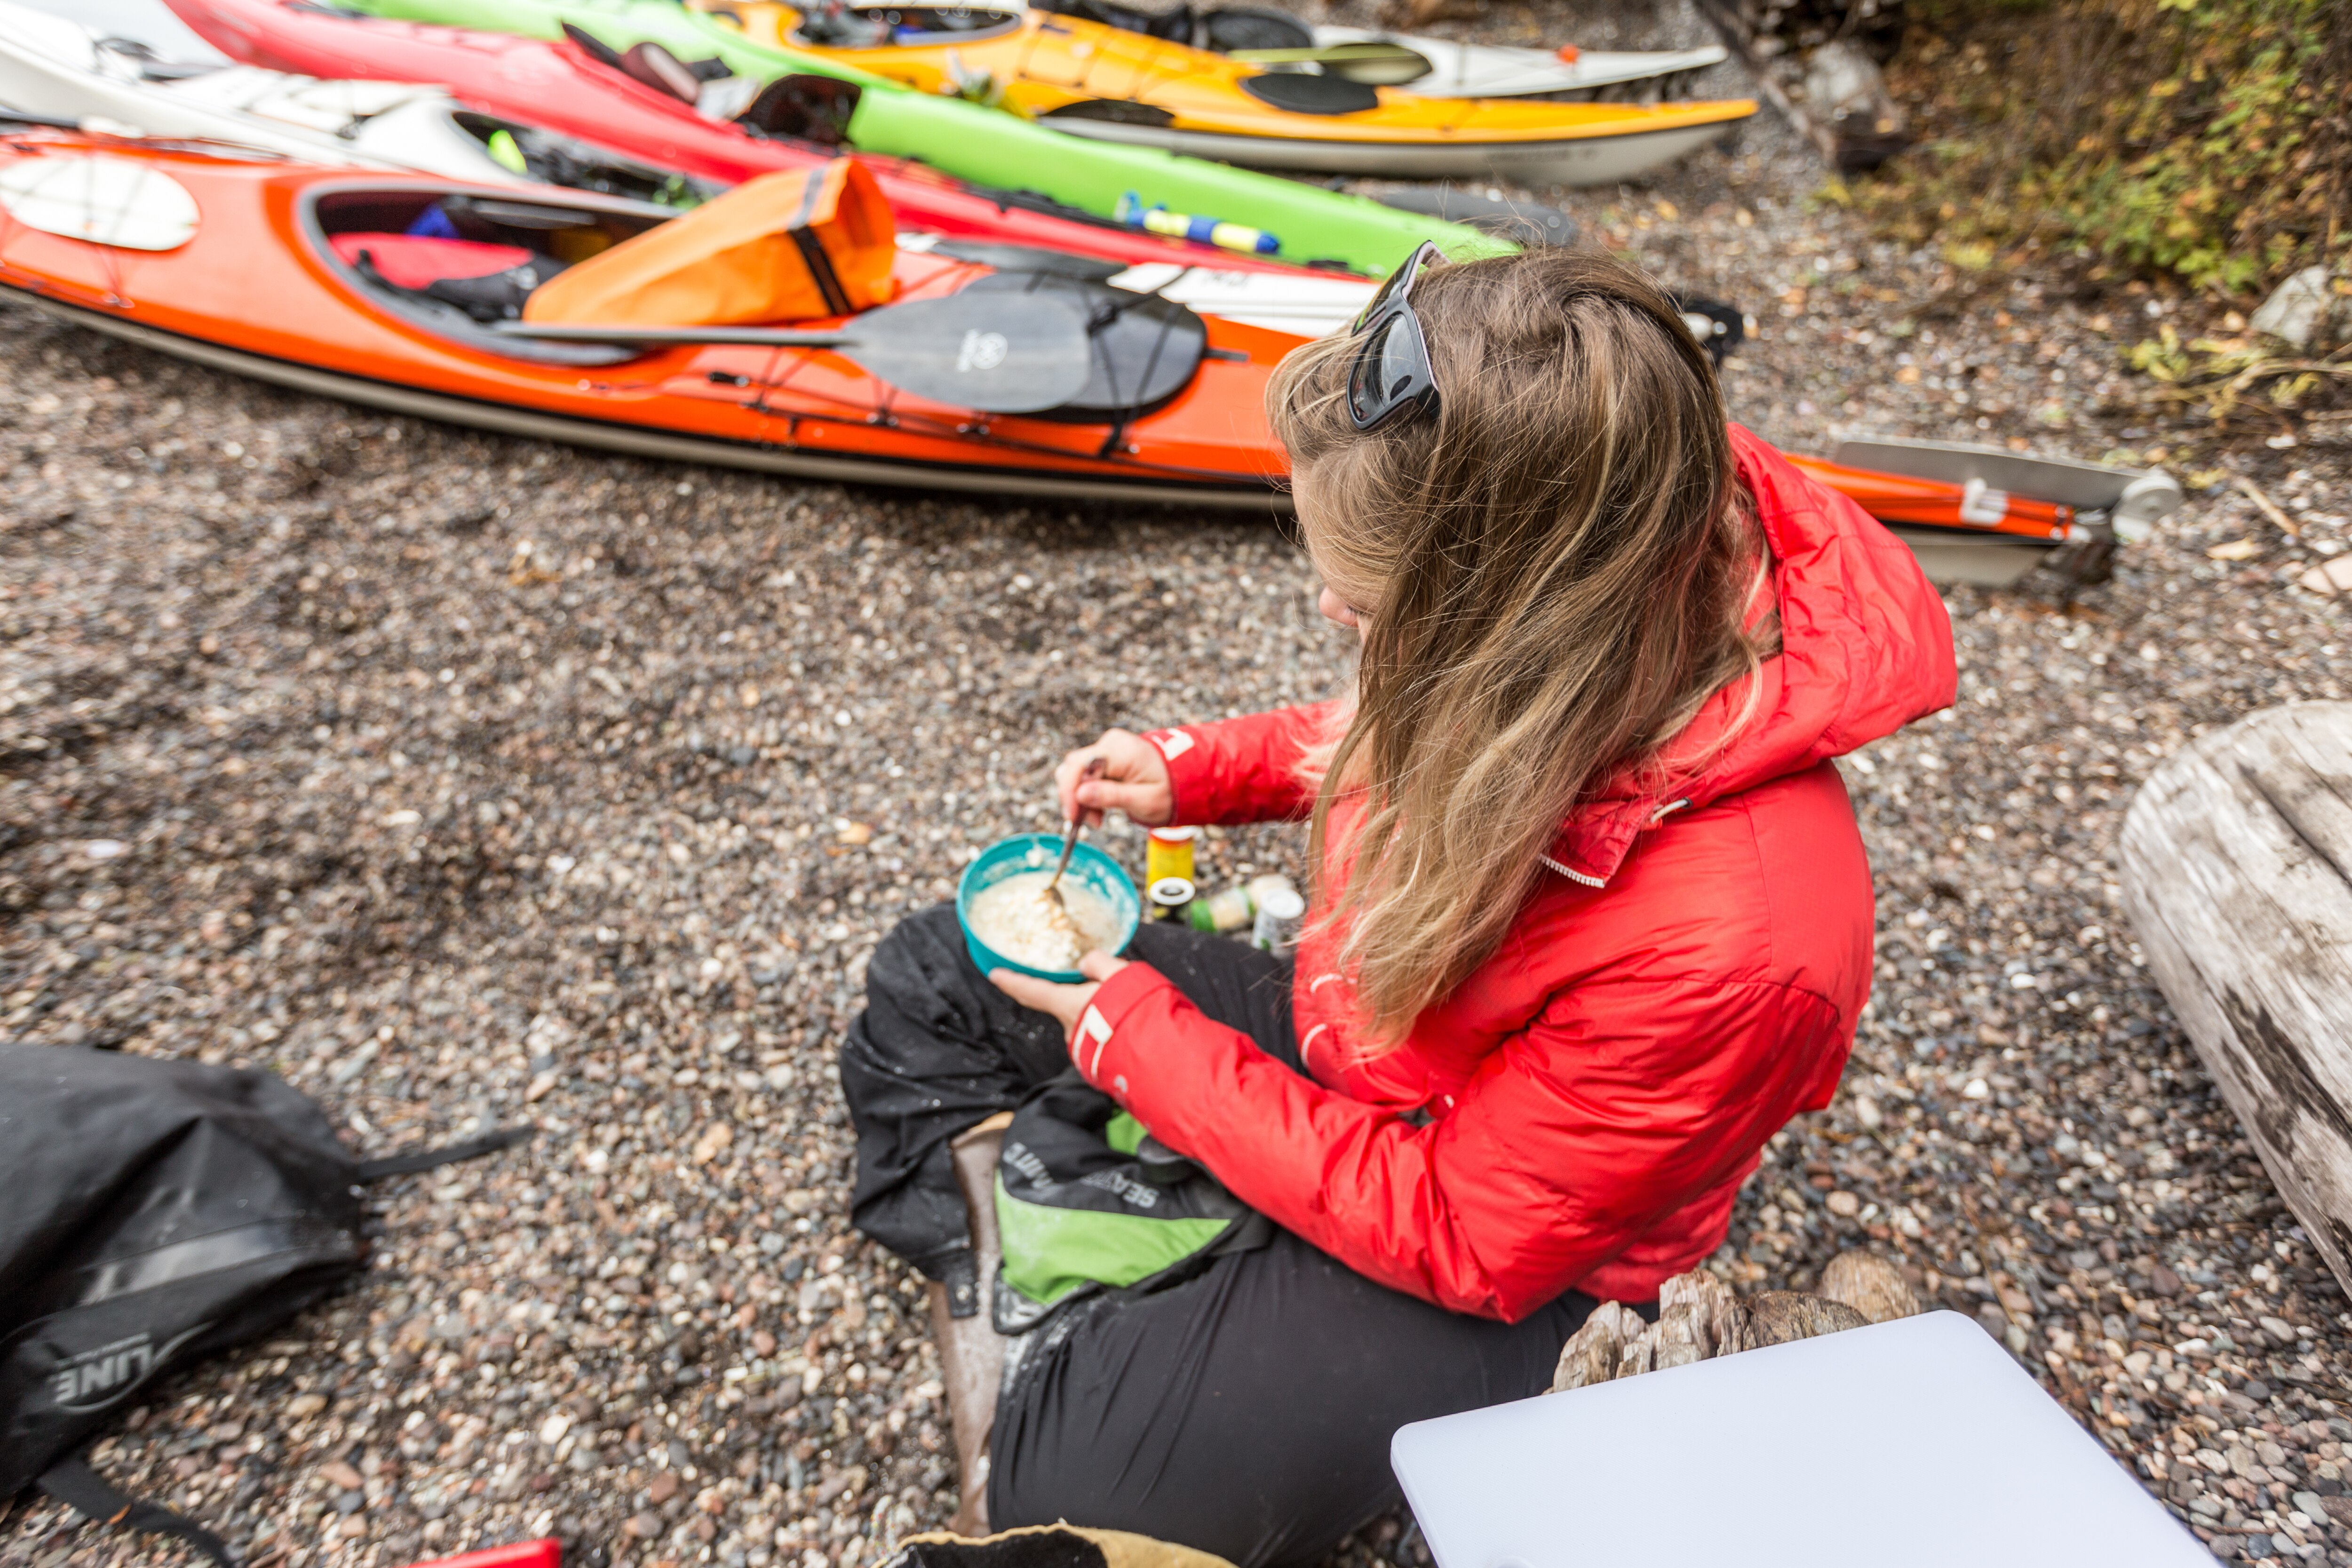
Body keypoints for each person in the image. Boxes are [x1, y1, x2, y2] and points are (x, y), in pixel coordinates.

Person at [842, 245, 1956, 1565]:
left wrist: (1118, 1033)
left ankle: (1173, 1261)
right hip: (1365, 1028)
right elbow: (1403, 730)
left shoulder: (1746, 943)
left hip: (1501, 1245)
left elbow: (1460, 1227)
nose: (1332, 614)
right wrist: (1200, 769)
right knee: (939, 968)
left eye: (1365, 607)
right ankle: (1143, 1249)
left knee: (1061, 1491)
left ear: (1516, 637)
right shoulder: (1604, 535)